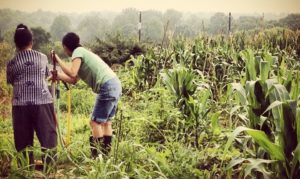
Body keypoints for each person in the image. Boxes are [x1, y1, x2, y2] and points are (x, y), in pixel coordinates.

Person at [51, 32, 122, 158]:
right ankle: (106, 157)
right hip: (115, 84)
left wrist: (57, 59)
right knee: (106, 122)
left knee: (94, 122)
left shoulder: (78, 52)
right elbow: (74, 79)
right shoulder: (83, 53)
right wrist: (58, 76)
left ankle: (97, 158)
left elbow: (72, 73)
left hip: (106, 85)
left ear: (66, 47)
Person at [6, 24, 57, 168]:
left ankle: (26, 169)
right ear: (31, 41)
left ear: (16, 43)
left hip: (20, 105)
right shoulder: (42, 57)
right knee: (48, 137)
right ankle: (50, 169)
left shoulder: (11, 63)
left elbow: (10, 81)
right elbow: (46, 75)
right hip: (42, 102)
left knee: (23, 141)